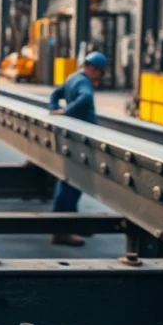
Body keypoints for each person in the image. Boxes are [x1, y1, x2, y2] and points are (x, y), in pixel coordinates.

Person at [46, 51, 107, 246]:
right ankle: (61, 231)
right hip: (82, 140)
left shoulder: (72, 77)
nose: (99, 77)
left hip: (72, 137)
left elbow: (55, 93)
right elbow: (85, 99)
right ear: (94, 69)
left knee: (70, 180)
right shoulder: (84, 82)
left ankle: (70, 223)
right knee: (73, 183)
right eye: (100, 72)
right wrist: (65, 113)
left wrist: (54, 109)